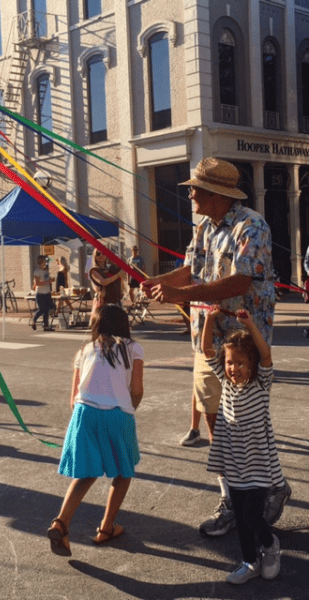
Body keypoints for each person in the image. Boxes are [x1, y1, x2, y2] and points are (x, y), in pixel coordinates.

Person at [141, 157, 290, 536]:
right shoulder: (205, 226)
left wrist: (180, 292)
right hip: (207, 340)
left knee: (246, 424)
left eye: (195, 188)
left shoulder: (251, 225)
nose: (189, 193)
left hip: (241, 342)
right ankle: (230, 496)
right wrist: (155, 281)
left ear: (216, 194)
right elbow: (191, 270)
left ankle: (270, 486)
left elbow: (239, 282)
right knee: (213, 417)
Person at [46, 304, 144, 556]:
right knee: (123, 470)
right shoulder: (133, 349)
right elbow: (137, 390)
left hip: (84, 412)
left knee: (86, 473)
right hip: (117, 414)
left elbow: (73, 396)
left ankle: (61, 522)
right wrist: (128, 408)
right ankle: (107, 526)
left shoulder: (85, 350)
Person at [202, 307, 283, 584]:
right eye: (230, 363)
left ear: (252, 364)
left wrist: (249, 325)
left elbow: (267, 354)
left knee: (251, 516)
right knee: (240, 516)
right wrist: (210, 319)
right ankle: (250, 562)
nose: (233, 368)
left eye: (240, 363)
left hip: (258, 463)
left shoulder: (261, 383)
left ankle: (270, 545)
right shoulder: (225, 382)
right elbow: (206, 351)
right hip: (234, 462)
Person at [89, 247, 122, 321]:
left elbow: (121, 269)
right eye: (98, 254)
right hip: (103, 303)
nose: (101, 255)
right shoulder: (94, 270)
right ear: (94, 256)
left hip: (115, 300)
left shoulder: (110, 268)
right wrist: (118, 275)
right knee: (103, 327)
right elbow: (103, 282)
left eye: (103, 253)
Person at [32, 255, 55, 331]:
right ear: (41, 262)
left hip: (47, 292)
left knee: (47, 310)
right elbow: (37, 283)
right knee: (42, 309)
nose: (46, 262)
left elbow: (47, 279)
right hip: (40, 293)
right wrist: (48, 282)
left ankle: (46, 325)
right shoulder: (37, 271)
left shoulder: (46, 270)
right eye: (45, 261)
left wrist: (51, 280)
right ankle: (34, 320)